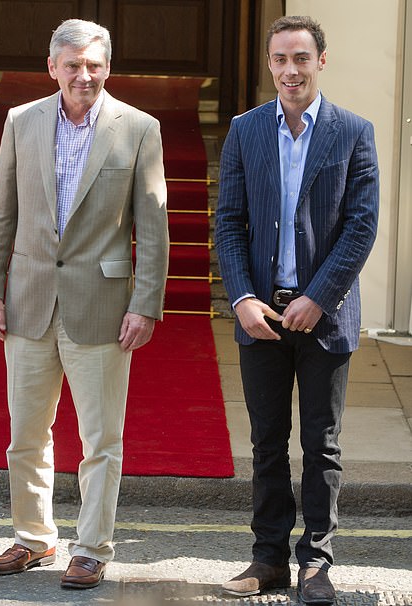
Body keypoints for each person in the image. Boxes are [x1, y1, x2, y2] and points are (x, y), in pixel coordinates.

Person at [0, 18, 169, 590]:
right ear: (52, 68)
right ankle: (34, 538)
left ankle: (92, 547)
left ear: (107, 67)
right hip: (30, 298)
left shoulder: (138, 128)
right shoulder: (21, 121)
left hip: (104, 305)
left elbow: (153, 226)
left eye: (94, 65)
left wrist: (146, 302)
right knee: (25, 435)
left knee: (100, 439)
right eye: (73, 65)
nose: (83, 75)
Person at [215, 15, 379, 604]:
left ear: (320, 61)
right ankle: (267, 559)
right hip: (260, 315)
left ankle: (316, 561)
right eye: (280, 59)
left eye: (301, 59)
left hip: (325, 317)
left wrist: (320, 295)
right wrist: (240, 299)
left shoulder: (353, 132)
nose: (290, 70)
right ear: (269, 64)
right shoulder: (245, 130)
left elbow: (361, 227)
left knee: (322, 445)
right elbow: (229, 222)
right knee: (265, 442)